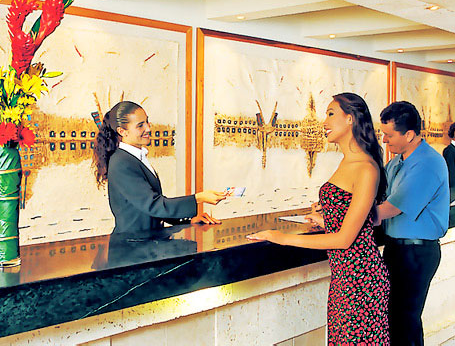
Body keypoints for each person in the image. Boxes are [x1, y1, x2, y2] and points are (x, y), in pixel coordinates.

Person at [248, 92, 390, 345]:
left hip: (361, 279)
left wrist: (283, 238)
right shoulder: (347, 162)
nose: (324, 122)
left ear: (350, 119)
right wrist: (326, 219)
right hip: (344, 277)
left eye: (331, 114)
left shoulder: (366, 168)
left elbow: (345, 239)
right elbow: (353, 218)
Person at [375, 101, 450, 346]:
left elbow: (390, 208)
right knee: (395, 320)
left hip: (416, 253)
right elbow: (377, 195)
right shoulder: (397, 162)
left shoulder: (428, 162)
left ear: (408, 135)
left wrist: (343, 218)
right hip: (397, 249)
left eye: (389, 135)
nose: (384, 140)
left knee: (405, 320)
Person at [93, 101, 225, 234]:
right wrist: (198, 198)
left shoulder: (134, 158)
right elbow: (153, 205)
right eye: (140, 125)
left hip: (147, 240)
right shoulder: (121, 162)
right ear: (122, 131)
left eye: (147, 122)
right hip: (132, 243)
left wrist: (189, 220)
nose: (148, 128)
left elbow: (152, 205)